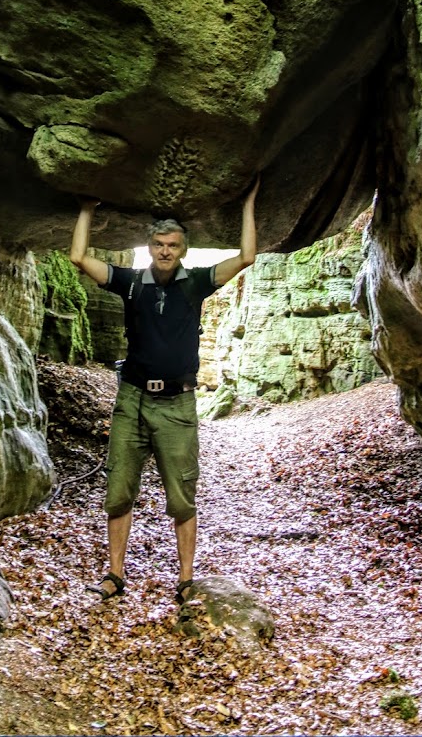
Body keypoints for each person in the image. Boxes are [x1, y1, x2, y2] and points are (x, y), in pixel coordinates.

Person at [69, 177, 260, 604]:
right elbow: (79, 257)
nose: (165, 251)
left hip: (177, 404)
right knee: (119, 489)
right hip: (132, 401)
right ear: (150, 245)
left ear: (183, 249)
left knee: (181, 494)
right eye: (158, 244)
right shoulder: (132, 283)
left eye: (173, 245)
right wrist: (87, 208)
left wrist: (249, 202)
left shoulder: (196, 283)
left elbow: (247, 256)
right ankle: (115, 575)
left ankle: (186, 580)